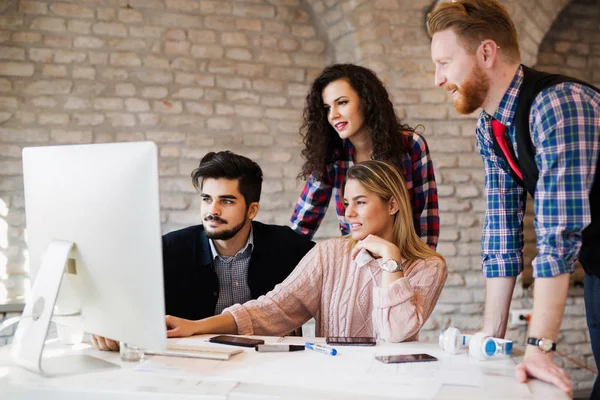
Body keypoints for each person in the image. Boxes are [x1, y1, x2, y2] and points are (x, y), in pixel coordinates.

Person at [428, 0, 599, 397]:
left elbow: (558, 233)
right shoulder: (490, 127)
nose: (438, 79)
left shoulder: (558, 104)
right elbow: (502, 230)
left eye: (445, 63)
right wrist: (492, 332)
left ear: (486, 53)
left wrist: (540, 347)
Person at [166, 160, 447, 342]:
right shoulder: (329, 254)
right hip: (332, 381)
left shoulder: (429, 266)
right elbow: (272, 309)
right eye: (346, 203)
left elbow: (396, 333)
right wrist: (198, 326)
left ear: (393, 205)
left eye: (360, 202)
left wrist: (391, 258)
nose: (349, 214)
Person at [92, 151, 315, 350]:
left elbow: (333, 273)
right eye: (207, 199)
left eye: (226, 202)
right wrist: (109, 322)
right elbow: (124, 293)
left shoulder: (287, 246)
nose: (212, 211)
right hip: (191, 365)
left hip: (272, 363)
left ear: (252, 210)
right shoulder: (169, 249)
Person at [290, 63, 439, 249]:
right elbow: (303, 222)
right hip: (356, 261)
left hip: (405, 260)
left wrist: (422, 267)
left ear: (366, 101)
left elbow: (426, 217)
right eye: (327, 107)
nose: (333, 115)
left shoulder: (410, 146)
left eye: (342, 102)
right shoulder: (332, 153)